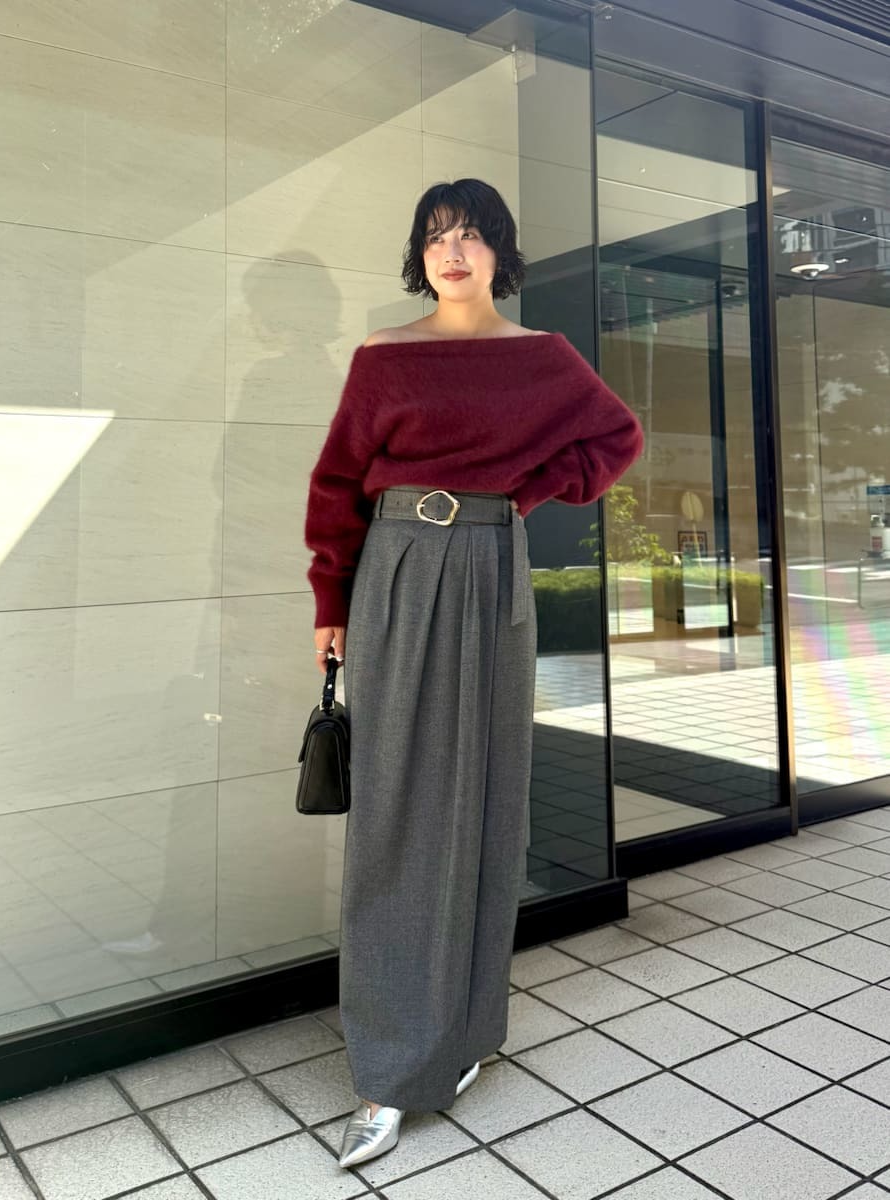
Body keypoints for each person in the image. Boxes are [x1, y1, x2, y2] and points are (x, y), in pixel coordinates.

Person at [303, 178, 643, 1170]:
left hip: (493, 569)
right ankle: (385, 1071)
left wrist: (526, 492)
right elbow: (336, 484)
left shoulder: (544, 359)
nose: (452, 251)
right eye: (435, 236)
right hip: (398, 570)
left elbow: (616, 438)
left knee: (489, 798)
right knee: (398, 810)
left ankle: (463, 1033)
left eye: (471, 235)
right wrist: (331, 599)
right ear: (421, 255)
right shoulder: (385, 355)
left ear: (500, 251)